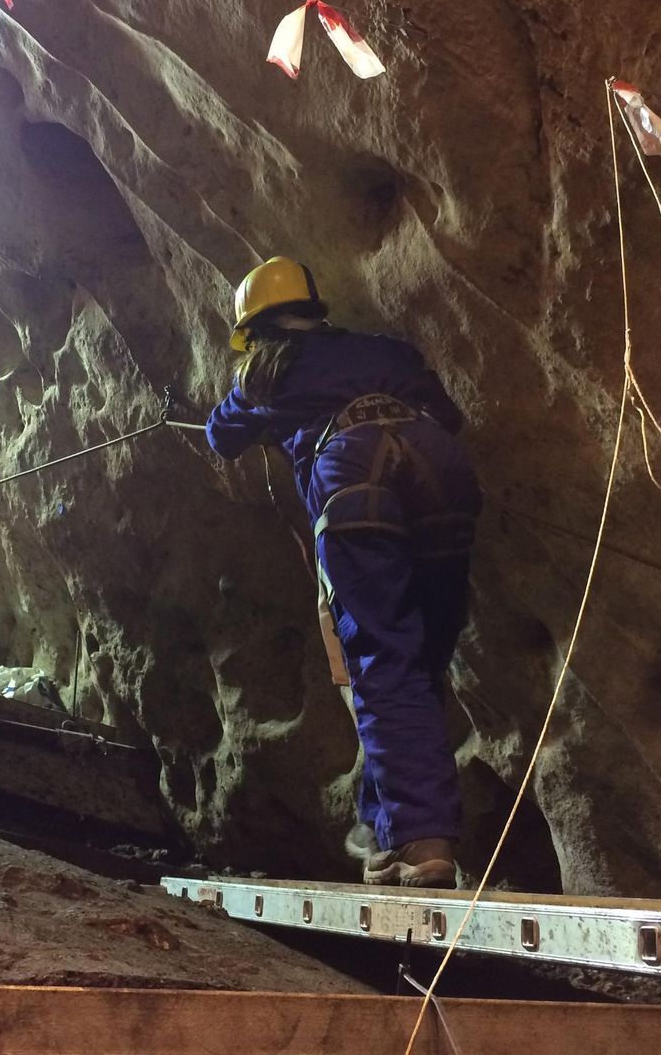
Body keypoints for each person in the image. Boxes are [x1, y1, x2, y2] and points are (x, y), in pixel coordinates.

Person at [205, 257, 482, 888]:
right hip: (441, 470)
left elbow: (222, 435)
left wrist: (283, 421)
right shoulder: (384, 350)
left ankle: (423, 840)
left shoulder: (267, 372)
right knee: (420, 660)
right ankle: (388, 831)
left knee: (382, 658)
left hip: (355, 479)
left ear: (257, 329)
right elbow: (449, 416)